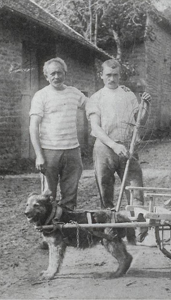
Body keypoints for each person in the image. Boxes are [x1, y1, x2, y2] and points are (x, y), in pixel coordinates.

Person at [86, 59, 151, 210]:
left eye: (115, 75)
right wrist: (113, 145)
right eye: (108, 75)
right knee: (105, 193)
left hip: (128, 146)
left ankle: (137, 228)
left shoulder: (128, 95)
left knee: (136, 192)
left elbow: (139, 122)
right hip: (105, 147)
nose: (112, 79)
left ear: (120, 75)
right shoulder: (96, 98)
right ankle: (111, 230)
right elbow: (95, 127)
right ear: (101, 75)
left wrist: (146, 107)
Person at [29, 57, 87, 212]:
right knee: (48, 197)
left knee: (70, 195)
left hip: (72, 151)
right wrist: (39, 155)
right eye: (52, 73)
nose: (56, 77)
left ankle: (67, 228)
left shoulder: (74, 93)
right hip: (50, 152)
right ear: (46, 76)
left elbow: (94, 106)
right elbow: (33, 127)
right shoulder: (41, 95)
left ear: (65, 74)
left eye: (59, 73)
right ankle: (50, 230)